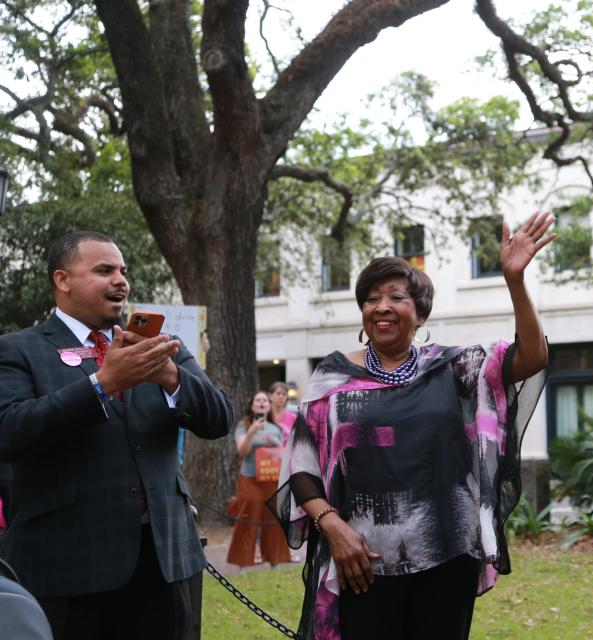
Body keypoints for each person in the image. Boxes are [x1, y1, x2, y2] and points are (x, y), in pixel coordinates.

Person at [271, 212, 555, 640]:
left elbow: (532, 358)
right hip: (361, 560)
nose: (381, 307)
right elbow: (301, 467)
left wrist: (515, 281)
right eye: (370, 298)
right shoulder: (333, 379)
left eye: (396, 297)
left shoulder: (455, 368)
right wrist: (332, 527)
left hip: (447, 554)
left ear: (420, 314)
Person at [0, 230, 233, 640]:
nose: (120, 280)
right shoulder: (18, 350)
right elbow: (10, 431)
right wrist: (101, 385)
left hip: (166, 561)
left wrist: (170, 375)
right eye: (104, 270)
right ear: (63, 280)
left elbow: (219, 418)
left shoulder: (160, 346)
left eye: (123, 271)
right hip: (68, 568)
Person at [227, 390, 291, 567]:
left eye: (265, 400)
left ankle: (274, 561)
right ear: (252, 405)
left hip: (271, 478)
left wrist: (277, 443)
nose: (262, 403)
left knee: (273, 521)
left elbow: (283, 454)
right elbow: (242, 451)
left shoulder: (276, 428)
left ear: (269, 405)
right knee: (247, 519)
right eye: (258, 400)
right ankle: (243, 562)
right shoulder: (243, 426)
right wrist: (251, 432)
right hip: (250, 479)